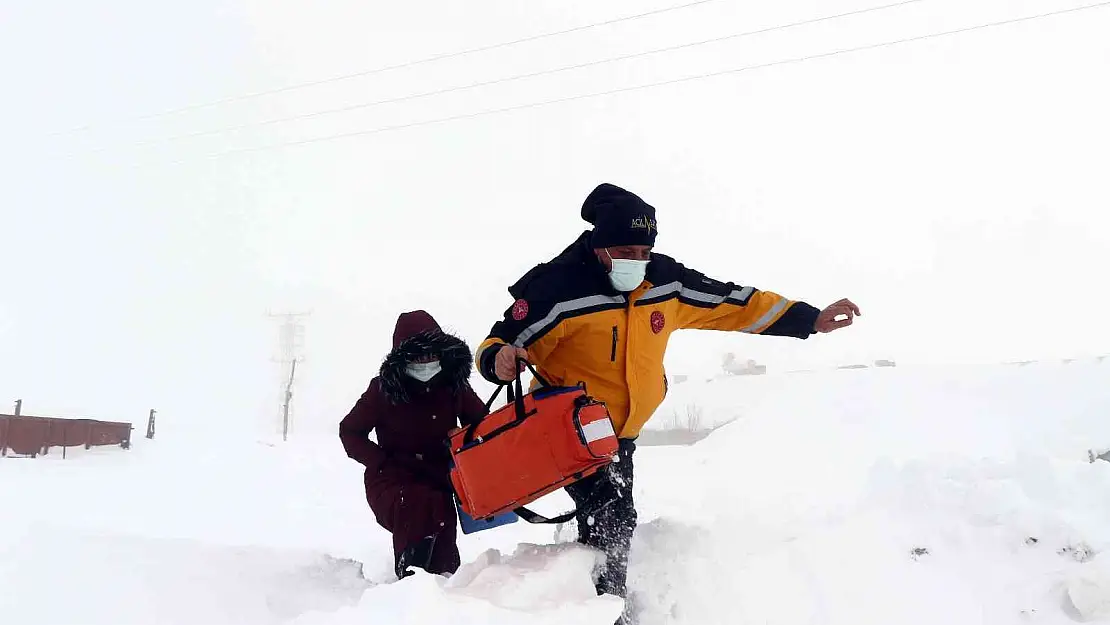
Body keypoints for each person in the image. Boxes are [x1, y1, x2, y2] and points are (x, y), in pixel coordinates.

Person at [475, 183, 860, 622]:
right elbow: (499, 340)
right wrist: (499, 360)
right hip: (569, 431)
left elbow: (733, 303)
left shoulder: (665, 281)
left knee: (609, 517)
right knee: (614, 515)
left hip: (620, 434)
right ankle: (609, 611)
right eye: (624, 250)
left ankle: (586, 597)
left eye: (643, 251)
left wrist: (808, 318)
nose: (636, 261)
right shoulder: (558, 288)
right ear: (599, 245)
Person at [340, 310, 488, 580]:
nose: (426, 362)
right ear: (402, 358)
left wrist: (463, 438)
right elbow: (350, 431)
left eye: (432, 354)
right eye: (418, 357)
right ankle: (410, 582)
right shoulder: (383, 389)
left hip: (439, 479)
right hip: (392, 481)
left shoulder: (453, 385)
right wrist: (381, 462)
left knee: (441, 528)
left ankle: (445, 592)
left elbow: (482, 425)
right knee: (416, 504)